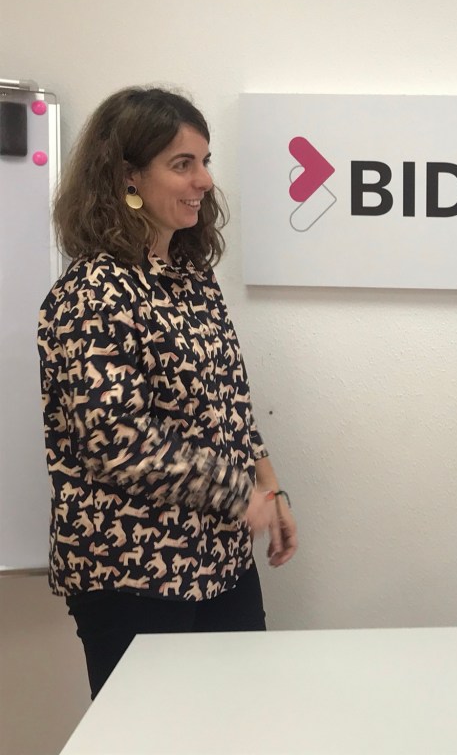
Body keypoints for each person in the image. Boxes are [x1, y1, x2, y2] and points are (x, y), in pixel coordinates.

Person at [38, 87, 298, 699]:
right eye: (183, 164)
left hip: (221, 561)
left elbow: (231, 403)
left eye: (205, 161)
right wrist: (240, 494)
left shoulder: (191, 278)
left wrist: (270, 487)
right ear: (127, 176)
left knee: (246, 724)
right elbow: (117, 443)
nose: (204, 180)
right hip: (132, 574)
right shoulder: (94, 291)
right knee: (150, 736)